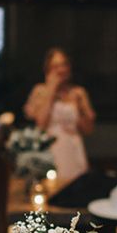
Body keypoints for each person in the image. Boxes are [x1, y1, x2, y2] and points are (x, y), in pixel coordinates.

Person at [24, 47, 95, 183]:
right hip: (51, 149)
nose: (60, 70)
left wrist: (81, 109)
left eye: (63, 64)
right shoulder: (40, 91)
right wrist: (51, 90)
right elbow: (40, 124)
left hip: (73, 148)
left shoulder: (78, 92)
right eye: (55, 66)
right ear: (48, 69)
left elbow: (88, 130)